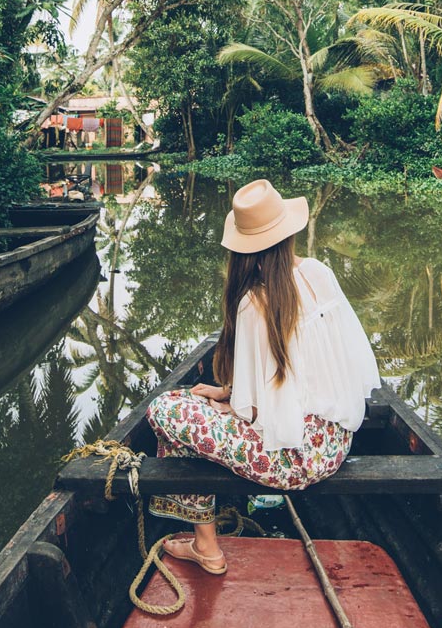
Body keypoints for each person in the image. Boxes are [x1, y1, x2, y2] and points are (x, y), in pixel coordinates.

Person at [145, 178, 381, 575]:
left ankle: (206, 545)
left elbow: (251, 413)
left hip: (294, 461)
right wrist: (227, 391)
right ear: (287, 234)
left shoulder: (254, 303)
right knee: (197, 403)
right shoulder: (319, 273)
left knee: (166, 411)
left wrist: (228, 399)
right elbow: (338, 365)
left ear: (243, 251)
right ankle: (203, 541)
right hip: (337, 444)